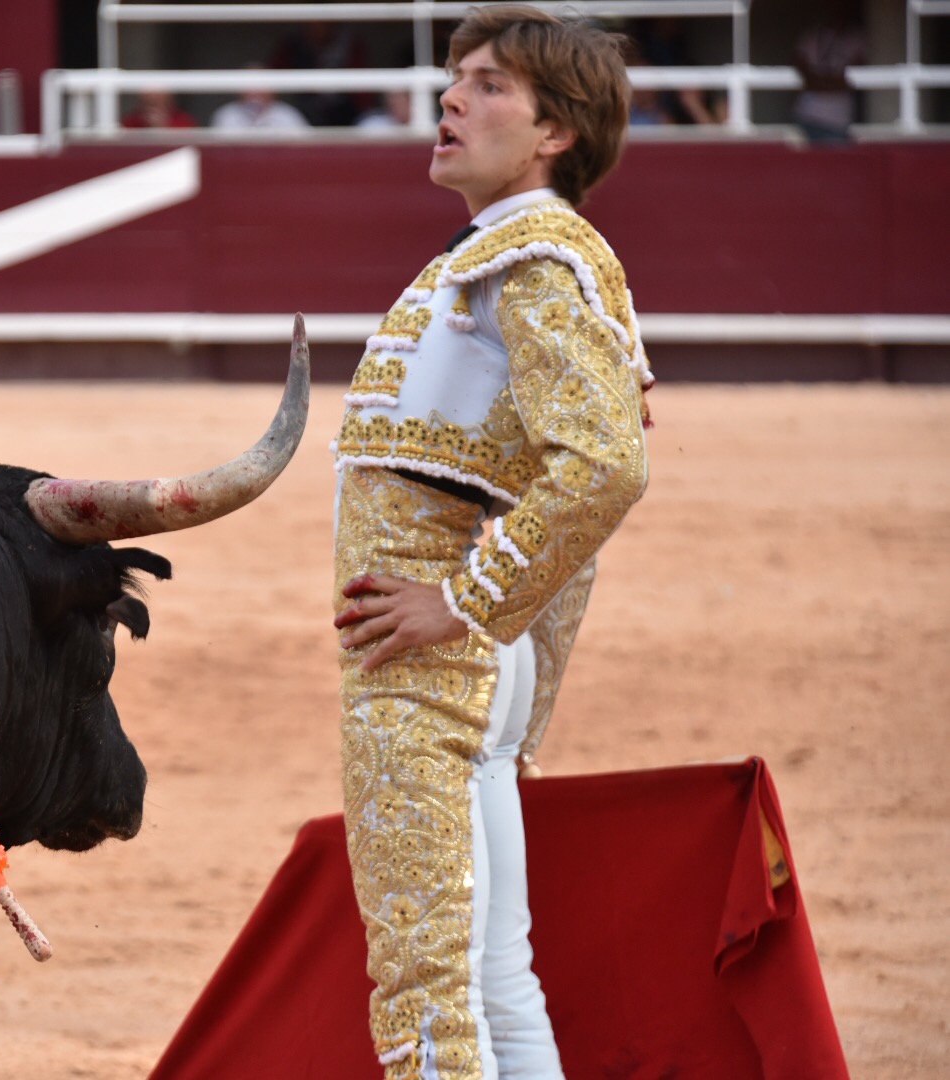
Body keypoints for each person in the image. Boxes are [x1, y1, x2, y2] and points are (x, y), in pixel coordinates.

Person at [329, 7, 651, 1078]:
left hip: (431, 666)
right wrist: (517, 672)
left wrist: (463, 608)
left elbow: (602, 466)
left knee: (429, 991)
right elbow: (567, 476)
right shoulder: (502, 260)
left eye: (487, 85)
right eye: (453, 78)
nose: (450, 100)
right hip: (470, 668)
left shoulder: (531, 262)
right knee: (492, 974)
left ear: (555, 130)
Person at [793, 0, 866, 143]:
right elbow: (801, 68)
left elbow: (853, 79)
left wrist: (818, 81)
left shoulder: (856, 39)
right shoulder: (812, 36)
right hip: (808, 115)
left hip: (838, 120)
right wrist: (829, 82)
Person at [210, 66, 309, 131]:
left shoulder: (287, 115)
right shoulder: (227, 115)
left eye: (261, 85)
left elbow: (305, 149)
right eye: (249, 85)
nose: (255, 91)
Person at [122, 89, 197, 130]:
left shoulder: (183, 120)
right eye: (149, 102)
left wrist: (162, 127)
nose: (153, 108)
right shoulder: (132, 121)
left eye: (157, 101)